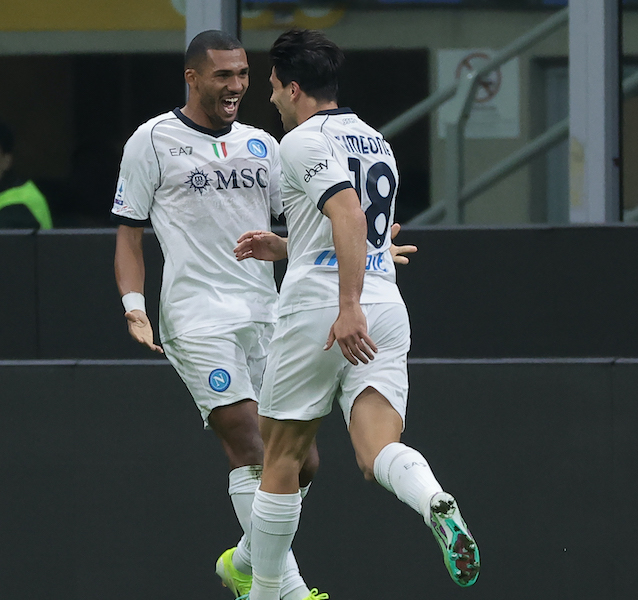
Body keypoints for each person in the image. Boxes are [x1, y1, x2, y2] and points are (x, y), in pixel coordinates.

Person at [233, 29, 480, 600]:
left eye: (271, 88)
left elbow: (345, 213)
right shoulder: (374, 139)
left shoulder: (298, 141)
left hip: (325, 309)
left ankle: (268, 594)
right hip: (386, 302)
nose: (269, 100)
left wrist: (345, 307)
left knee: (282, 456)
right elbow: (357, 229)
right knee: (377, 452)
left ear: (294, 88)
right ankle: (434, 500)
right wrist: (287, 245)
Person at [111, 30, 325, 600]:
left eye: (244, 75)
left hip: (268, 313)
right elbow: (129, 236)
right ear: (192, 78)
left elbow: (297, 226)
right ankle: (288, 591)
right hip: (196, 317)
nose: (236, 87)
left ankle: (244, 564)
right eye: (223, 76)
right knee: (252, 444)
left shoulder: (265, 144)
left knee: (302, 463)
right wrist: (135, 308)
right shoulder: (151, 140)